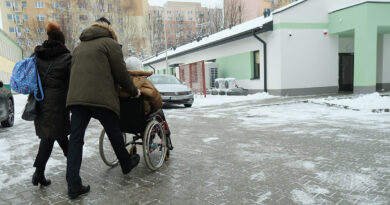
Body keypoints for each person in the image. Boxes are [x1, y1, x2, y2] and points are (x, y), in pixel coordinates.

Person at [65, 17, 141, 199]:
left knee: (75, 140)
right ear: (109, 29)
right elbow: (121, 73)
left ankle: (73, 184)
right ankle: (126, 164)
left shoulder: (78, 47)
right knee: (114, 132)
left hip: (77, 99)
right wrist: (133, 91)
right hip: (101, 97)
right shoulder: (110, 44)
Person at [31, 22, 71, 187]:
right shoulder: (66, 57)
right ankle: (39, 173)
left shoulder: (38, 55)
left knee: (55, 136)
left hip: (40, 101)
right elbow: (71, 81)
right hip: (57, 104)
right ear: (61, 41)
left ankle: (41, 173)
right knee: (50, 138)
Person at [120, 57, 173, 147]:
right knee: (159, 113)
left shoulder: (119, 83)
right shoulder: (145, 82)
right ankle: (166, 139)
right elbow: (157, 103)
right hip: (140, 120)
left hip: (123, 120)